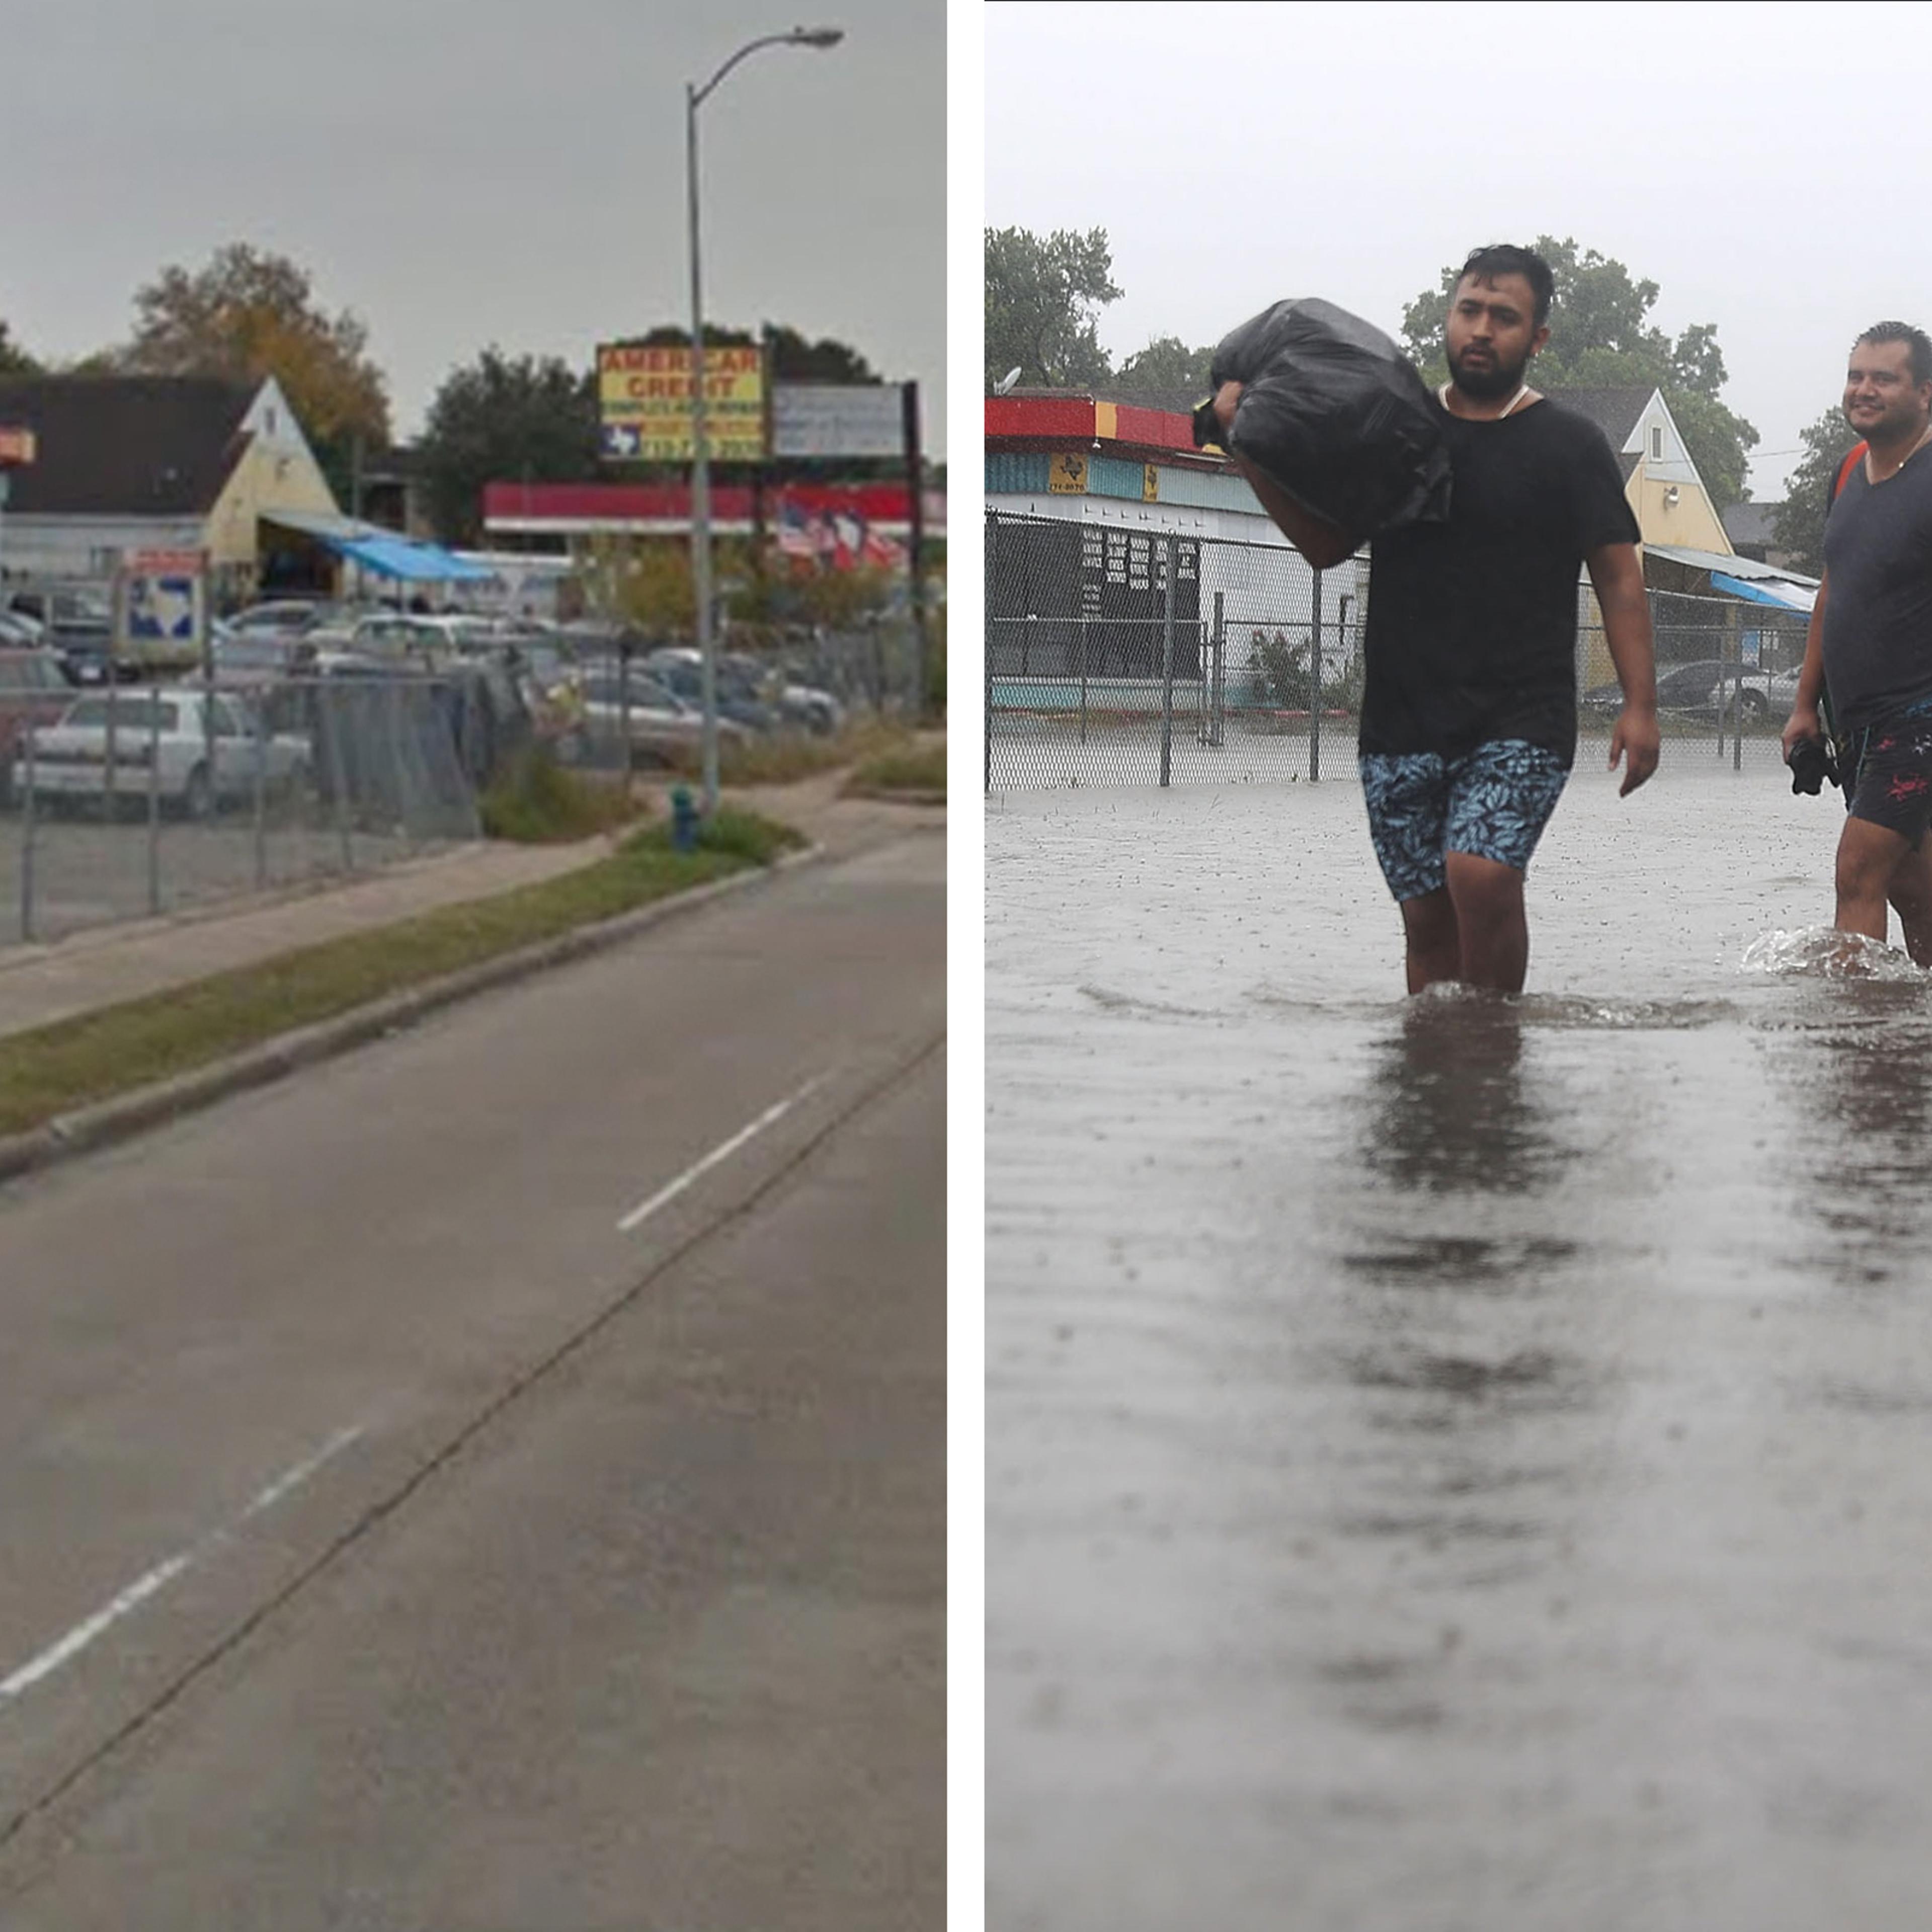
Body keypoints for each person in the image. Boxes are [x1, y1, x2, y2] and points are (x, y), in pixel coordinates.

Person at [1213, 243, 1659, 993]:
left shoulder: (1569, 444)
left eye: (1506, 318)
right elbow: (1327, 545)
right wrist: (1246, 446)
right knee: (1425, 918)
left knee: (1480, 878)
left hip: (1521, 715)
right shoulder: (1395, 428)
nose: (1483, 330)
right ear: (1447, 319)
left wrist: (1640, 705)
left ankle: (1492, 1057)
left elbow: (1618, 576)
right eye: (1470, 311)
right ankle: (1434, 1085)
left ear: (1537, 339)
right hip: (1401, 716)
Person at [1780, 321, 1932, 964]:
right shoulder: (1846, 472)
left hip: (1920, 714)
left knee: (1858, 869)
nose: (1863, 390)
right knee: (1912, 889)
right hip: (1857, 719)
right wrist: (1804, 705)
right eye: (1855, 376)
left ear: (1925, 393)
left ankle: (1857, 1038)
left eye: (1883, 379)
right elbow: (1831, 592)